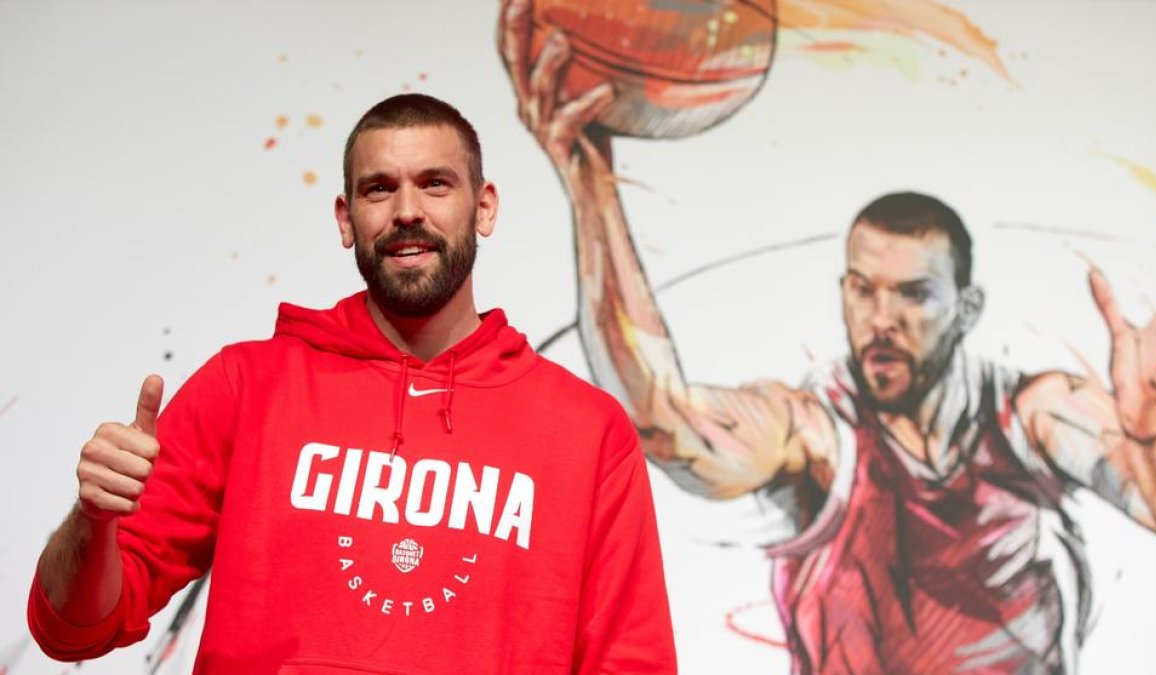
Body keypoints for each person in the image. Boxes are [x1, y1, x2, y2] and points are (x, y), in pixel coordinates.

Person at [498, 4, 1156, 673]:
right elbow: (663, 419)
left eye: (912, 294)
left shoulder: (1032, 416)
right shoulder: (819, 435)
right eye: (862, 289)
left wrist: (1150, 431)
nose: (880, 318)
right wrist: (591, 182)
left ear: (967, 307)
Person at [28, 93, 677, 674]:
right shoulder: (248, 385)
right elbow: (70, 629)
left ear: (483, 208)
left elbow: (632, 661)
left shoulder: (585, 430)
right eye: (378, 189)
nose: (406, 211)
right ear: (346, 219)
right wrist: (94, 522)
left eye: (435, 184)